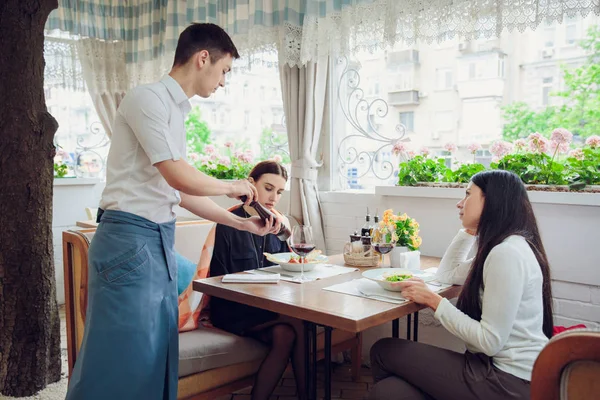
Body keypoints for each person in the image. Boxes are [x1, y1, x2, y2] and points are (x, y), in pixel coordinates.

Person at [66, 23, 282, 400]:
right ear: (203, 59)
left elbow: (174, 190)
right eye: (225, 70)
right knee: (118, 364)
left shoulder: (174, 112)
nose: (223, 81)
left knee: (152, 361)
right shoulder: (145, 99)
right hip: (129, 241)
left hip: (154, 241)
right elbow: (177, 175)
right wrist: (234, 186)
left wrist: (241, 222)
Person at [368, 170, 554, 400]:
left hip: (508, 381)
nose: (460, 203)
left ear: (491, 200)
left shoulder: (506, 254)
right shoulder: (500, 247)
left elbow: (489, 342)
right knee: (386, 392)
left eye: (467, 195)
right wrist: (469, 230)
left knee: (383, 351)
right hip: (489, 369)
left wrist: (434, 301)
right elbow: (446, 274)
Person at [209, 160, 307, 400]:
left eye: (280, 191)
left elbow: (288, 267)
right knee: (298, 322)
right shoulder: (228, 223)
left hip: (268, 305)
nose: (274, 197)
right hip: (233, 307)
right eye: (268, 188)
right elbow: (218, 279)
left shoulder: (279, 226)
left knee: (286, 333)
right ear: (250, 185)